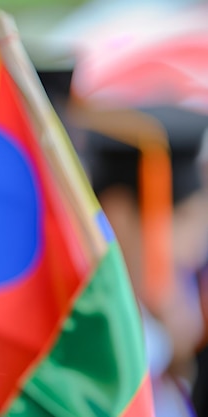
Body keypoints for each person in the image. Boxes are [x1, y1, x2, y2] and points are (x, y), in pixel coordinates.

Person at [83, 105, 208, 417]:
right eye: (181, 219)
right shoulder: (93, 356)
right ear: (120, 218)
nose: (193, 251)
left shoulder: (164, 361)